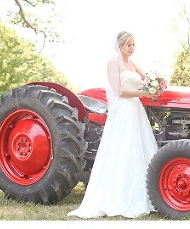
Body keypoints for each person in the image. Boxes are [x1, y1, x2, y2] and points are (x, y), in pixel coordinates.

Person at [67, 31, 160, 218]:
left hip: (136, 109)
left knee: (141, 148)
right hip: (124, 110)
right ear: (120, 46)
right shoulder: (113, 63)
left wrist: (156, 85)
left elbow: (146, 79)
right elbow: (119, 91)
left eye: (134, 45)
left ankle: (152, 195)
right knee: (125, 149)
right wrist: (144, 94)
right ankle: (121, 197)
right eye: (129, 45)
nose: (132, 48)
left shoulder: (132, 63)